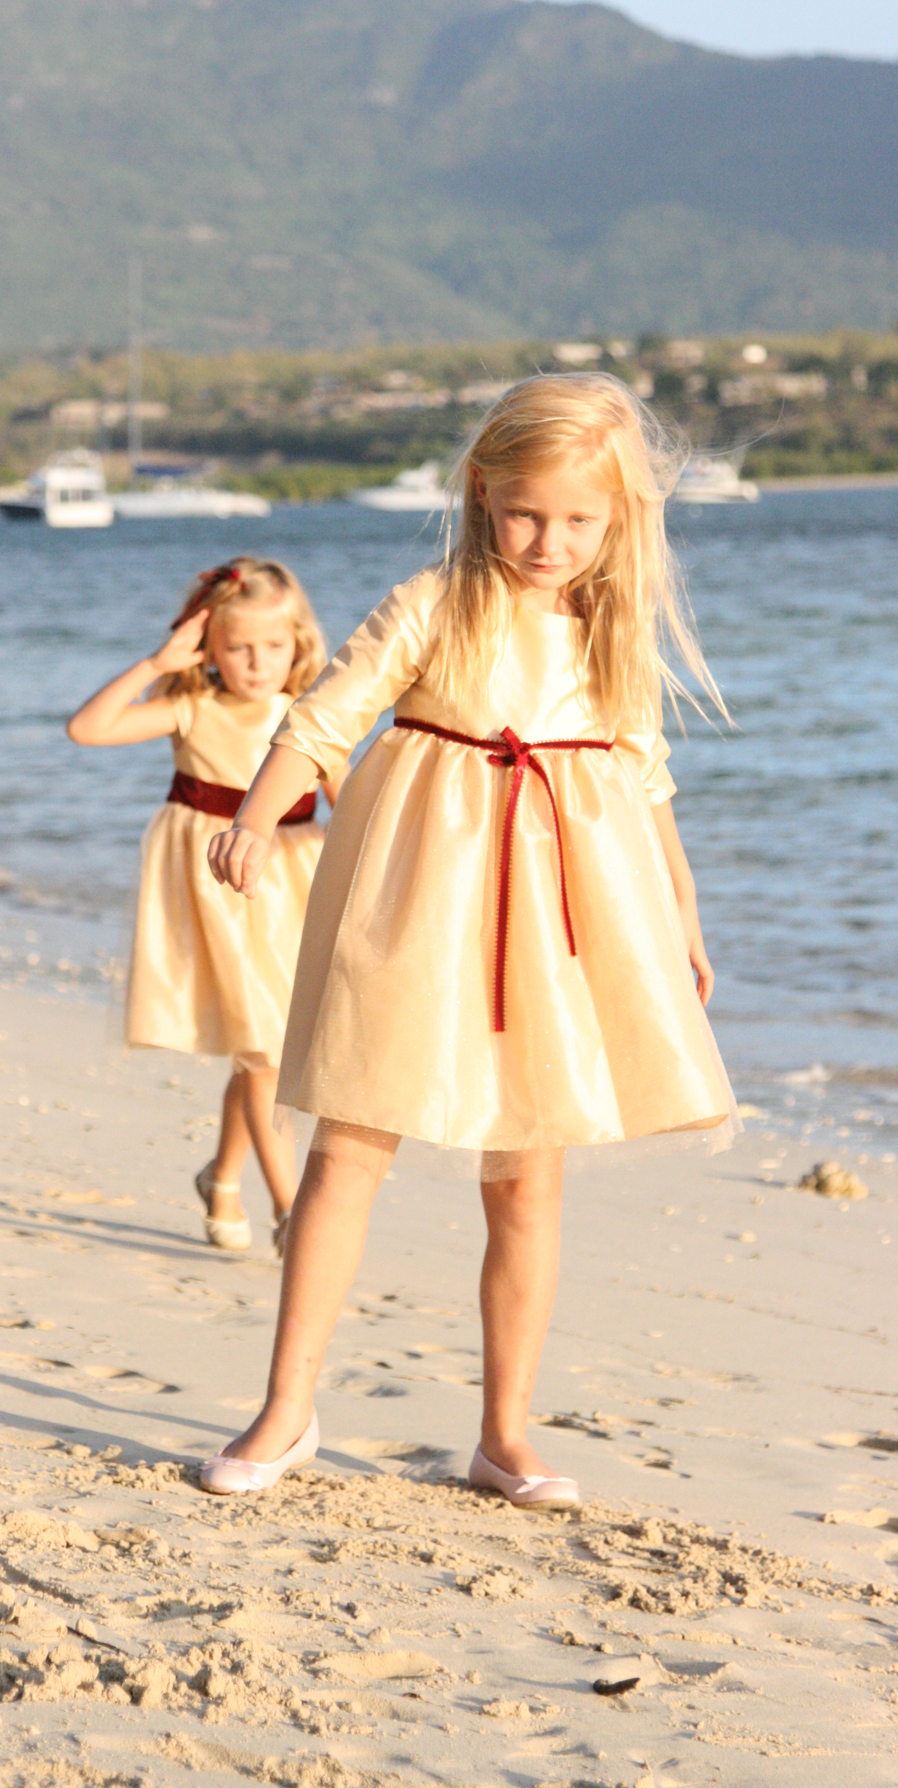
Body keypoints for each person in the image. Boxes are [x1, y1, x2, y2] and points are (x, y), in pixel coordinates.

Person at [200, 374, 738, 1504]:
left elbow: (644, 785)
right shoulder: (433, 603)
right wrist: (256, 813)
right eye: (528, 512)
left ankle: (505, 1434)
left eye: (580, 520)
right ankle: (285, 1411)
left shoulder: (607, 625)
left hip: (560, 920)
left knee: (527, 1179)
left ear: (619, 519)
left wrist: (681, 917)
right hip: (417, 899)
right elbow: (323, 720)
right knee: (349, 1149)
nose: (551, 541)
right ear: (484, 491)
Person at [67, 557, 343, 1253]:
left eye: (273, 647)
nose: (257, 663)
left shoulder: (310, 716)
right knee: (261, 1054)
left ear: (299, 642)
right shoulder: (192, 706)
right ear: (208, 647)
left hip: (291, 886)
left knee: (263, 1051)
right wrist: (154, 663)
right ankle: (288, 1213)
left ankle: (220, 1180)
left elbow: (353, 806)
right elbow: (87, 730)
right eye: (239, 648)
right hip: (216, 890)